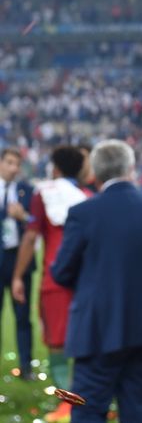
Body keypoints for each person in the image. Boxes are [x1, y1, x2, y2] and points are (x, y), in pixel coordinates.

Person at [50, 139, 142, 422]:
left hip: (97, 326)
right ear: (132, 169)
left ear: (94, 173)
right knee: (139, 410)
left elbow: (62, 271)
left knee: (88, 409)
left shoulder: (83, 213)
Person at [12, 145, 89, 422]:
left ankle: (66, 404)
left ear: (54, 168)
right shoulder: (88, 196)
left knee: (56, 342)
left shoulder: (43, 194)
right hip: (85, 280)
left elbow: (32, 237)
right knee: (84, 339)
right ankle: (85, 398)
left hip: (54, 279)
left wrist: (18, 275)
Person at [0, 148, 35, 380]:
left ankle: (26, 367)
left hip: (19, 260)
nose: (14, 167)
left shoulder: (27, 191)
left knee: (22, 316)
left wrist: (24, 217)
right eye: (10, 162)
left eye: (17, 164)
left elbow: (37, 223)